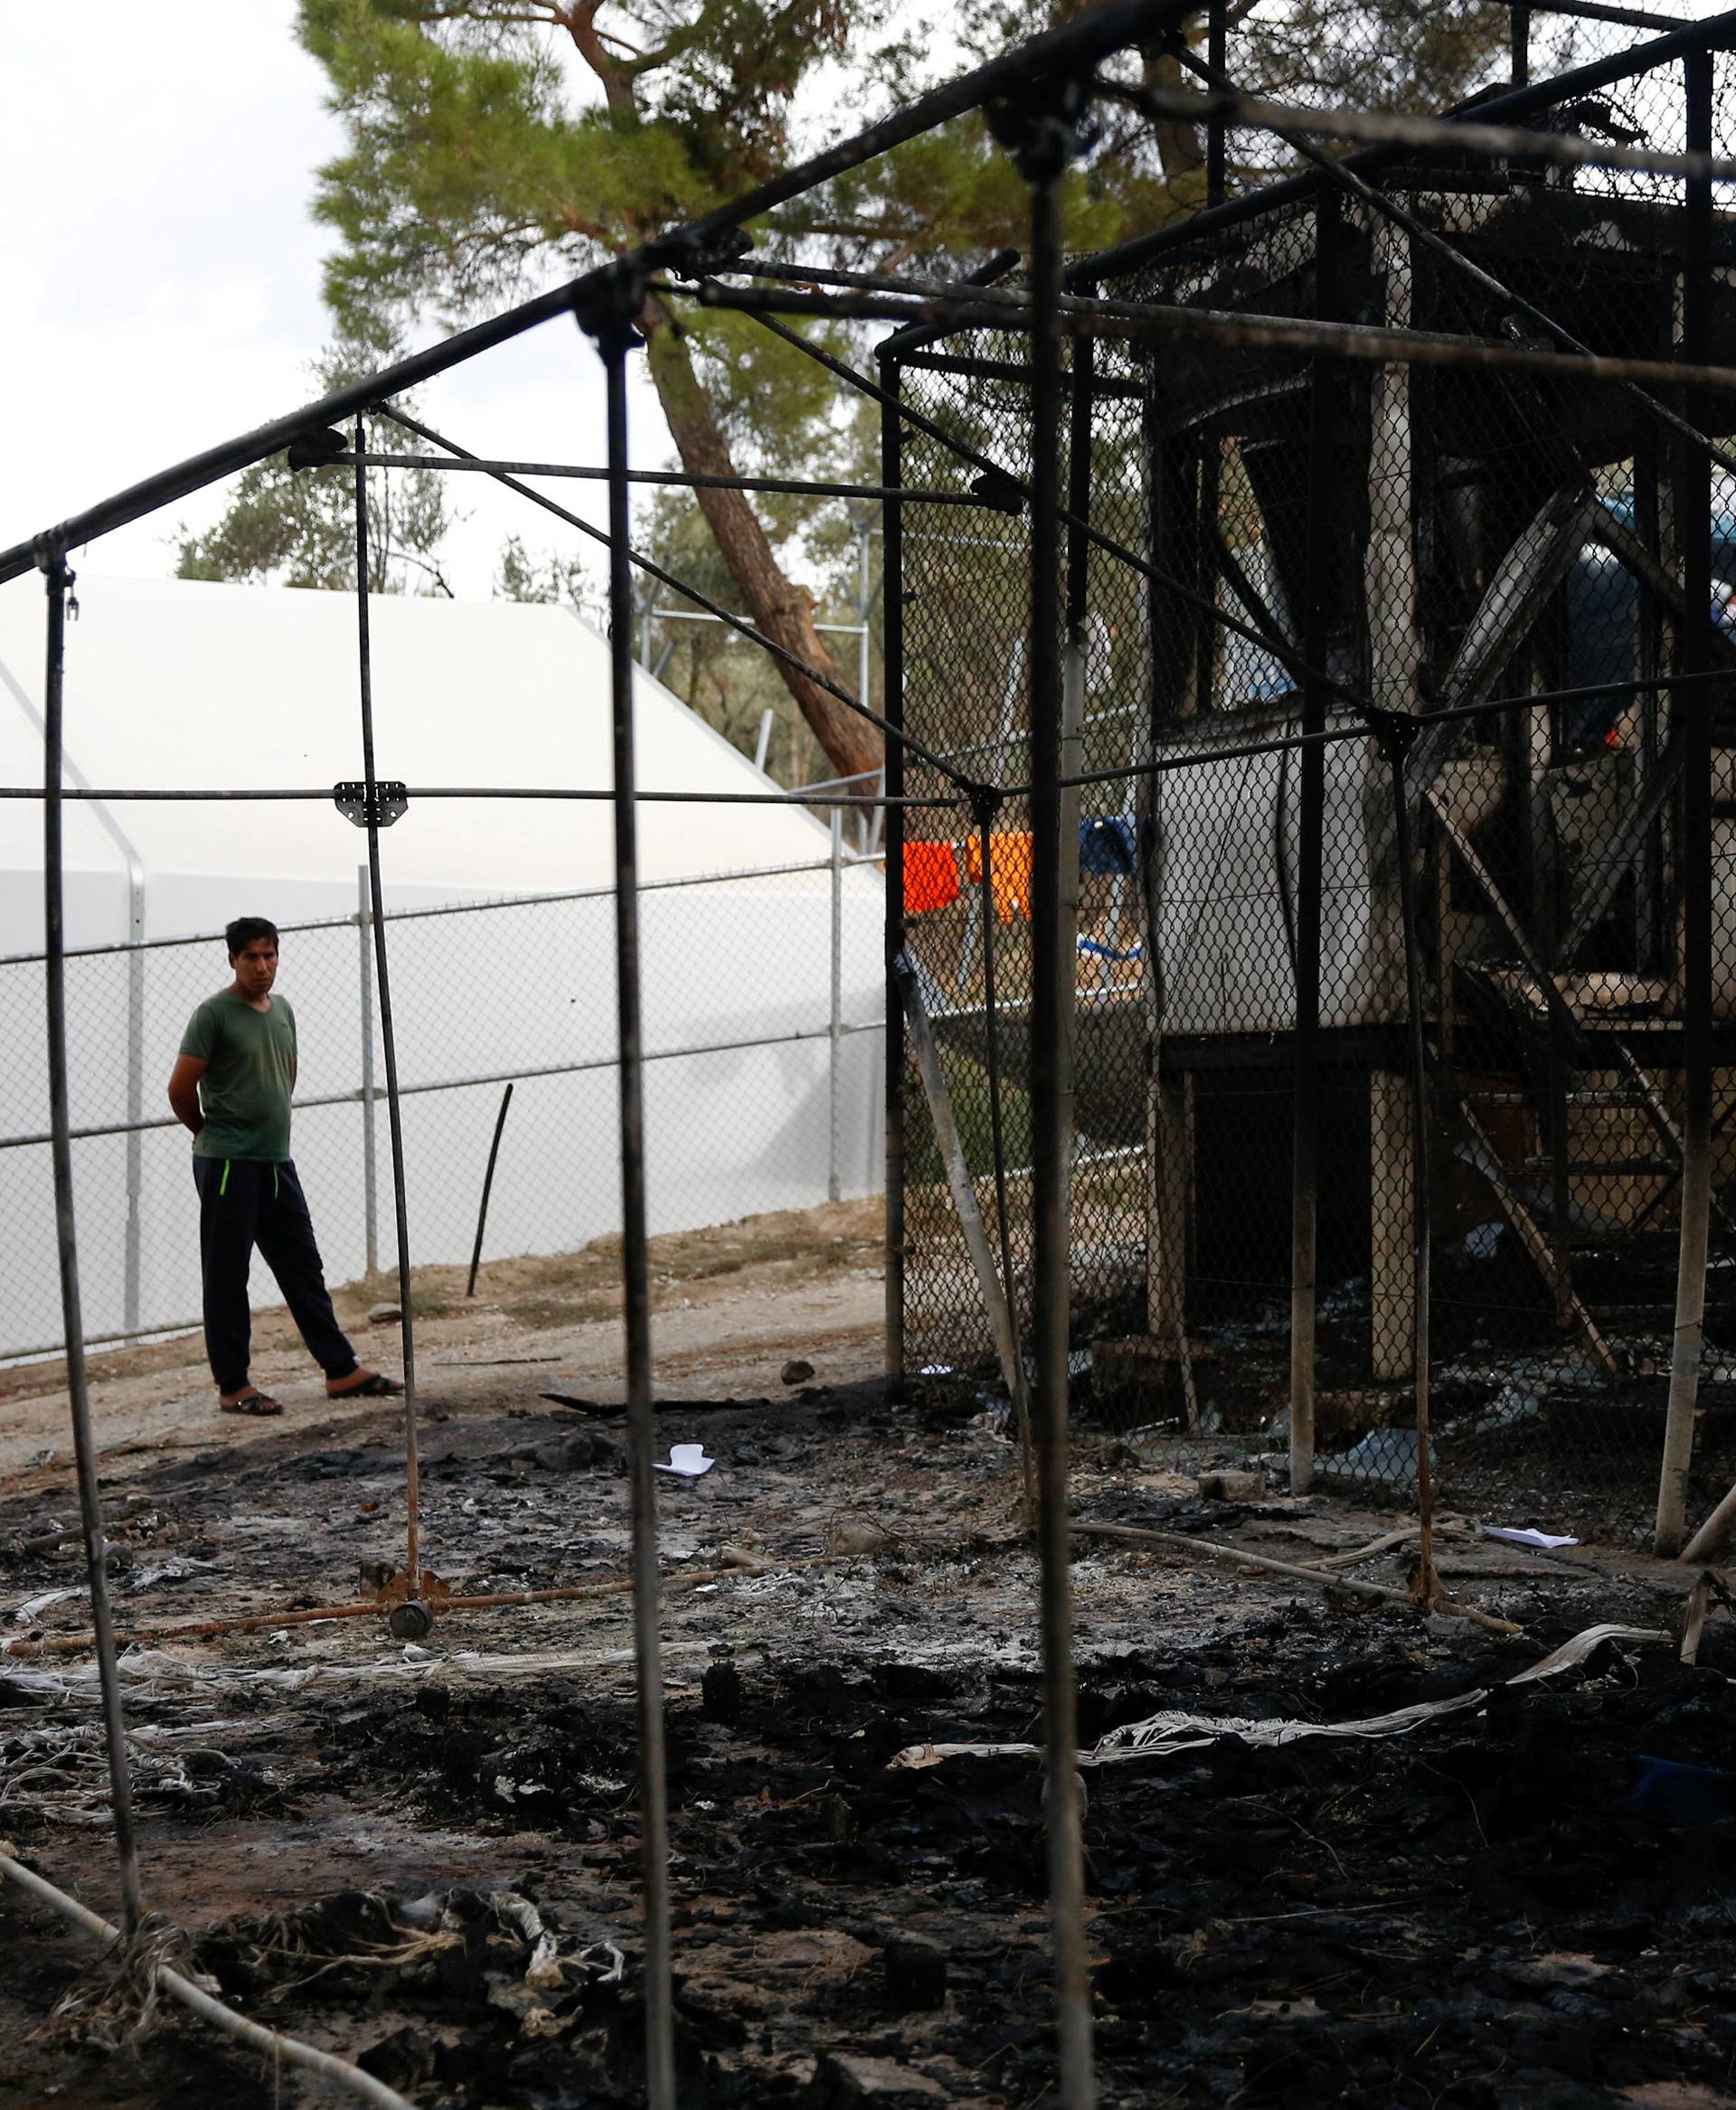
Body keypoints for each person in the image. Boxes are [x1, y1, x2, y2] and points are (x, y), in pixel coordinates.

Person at [167, 916, 400, 1417]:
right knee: (228, 1275)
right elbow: (180, 1090)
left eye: (269, 955)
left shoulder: (283, 1011)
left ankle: (340, 1370)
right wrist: (208, 1133)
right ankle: (233, 1386)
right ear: (232, 959)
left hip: (275, 1162)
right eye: (251, 956)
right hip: (228, 1163)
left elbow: (286, 1073)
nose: (262, 966)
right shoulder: (214, 1014)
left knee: (303, 1267)